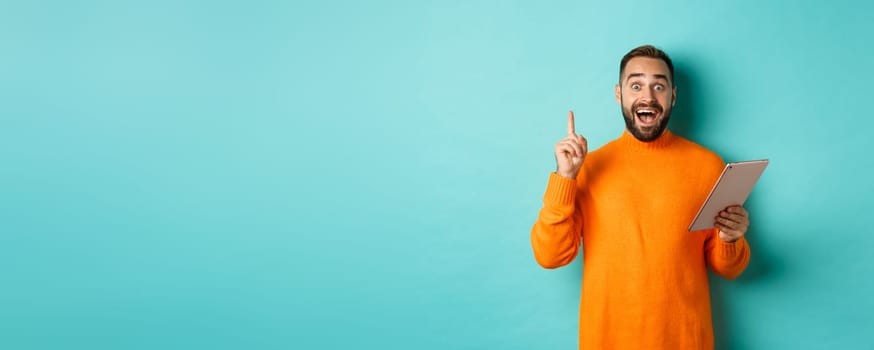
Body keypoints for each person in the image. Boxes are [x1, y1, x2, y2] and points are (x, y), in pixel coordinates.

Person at [530, 45, 751, 349]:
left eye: (658, 86)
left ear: (672, 96)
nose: (647, 97)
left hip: (686, 341)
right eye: (636, 85)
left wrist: (730, 238)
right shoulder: (587, 168)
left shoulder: (710, 167)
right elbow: (550, 256)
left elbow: (730, 268)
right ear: (619, 94)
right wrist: (565, 177)